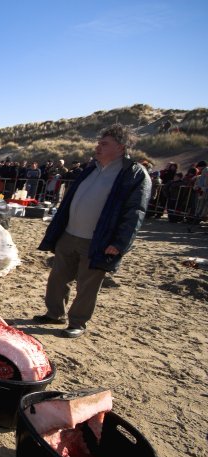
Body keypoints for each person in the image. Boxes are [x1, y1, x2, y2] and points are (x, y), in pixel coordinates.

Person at [34, 125, 151, 338]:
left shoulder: (133, 174)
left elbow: (135, 213)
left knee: (87, 285)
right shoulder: (91, 167)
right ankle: (54, 313)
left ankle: (77, 322)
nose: (97, 147)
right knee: (58, 277)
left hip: (98, 240)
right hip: (69, 234)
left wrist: (120, 243)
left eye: (104, 144)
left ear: (121, 146)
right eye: (98, 142)